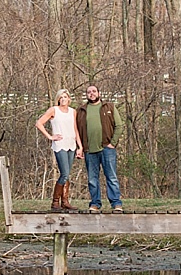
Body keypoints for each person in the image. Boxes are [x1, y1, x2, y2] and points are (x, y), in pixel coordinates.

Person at [75, 85, 123, 213]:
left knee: (111, 176)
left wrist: (112, 143)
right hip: (89, 150)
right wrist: (79, 148)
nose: (91, 94)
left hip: (107, 148)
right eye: (89, 92)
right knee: (92, 179)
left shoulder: (109, 107)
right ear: (86, 95)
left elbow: (119, 126)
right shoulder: (81, 111)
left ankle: (116, 203)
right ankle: (95, 203)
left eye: (94, 91)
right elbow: (76, 131)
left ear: (99, 93)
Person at [35, 89, 83, 212]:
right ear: (58, 99)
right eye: (61, 97)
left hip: (71, 144)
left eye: (65, 97)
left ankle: (65, 202)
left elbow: (75, 129)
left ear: (69, 99)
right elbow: (39, 123)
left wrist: (80, 146)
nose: (63, 99)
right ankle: (55, 201)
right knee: (64, 173)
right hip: (60, 145)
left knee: (67, 174)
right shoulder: (53, 110)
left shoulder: (73, 112)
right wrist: (50, 136)